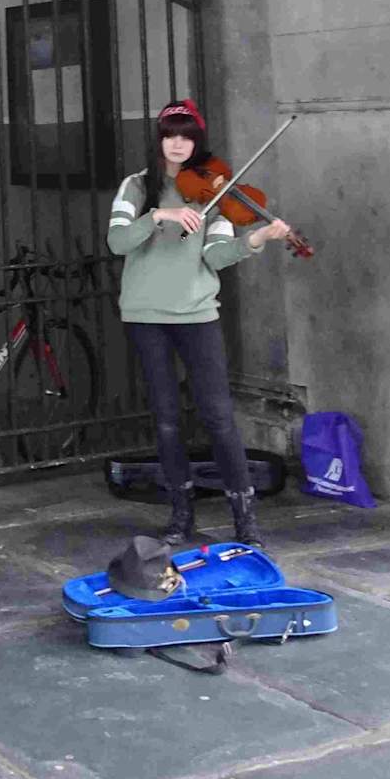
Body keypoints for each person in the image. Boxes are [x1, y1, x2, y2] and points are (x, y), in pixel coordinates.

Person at [108, 99, 294, 546]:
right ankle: (181, 515)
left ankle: (245, 518)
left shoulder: (214, 192)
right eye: (170, 135)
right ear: (159, 140)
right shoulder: (136, 187)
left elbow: (216, 256)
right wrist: (158, 215)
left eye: (187, 136)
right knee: (167, 419)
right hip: (146, 315)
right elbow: (117, 241)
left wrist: (256, 238)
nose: (178, 144)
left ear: (198, 142)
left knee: (219, 416)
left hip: (197, 314)